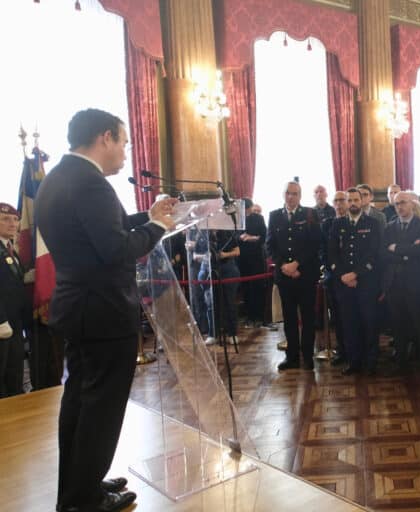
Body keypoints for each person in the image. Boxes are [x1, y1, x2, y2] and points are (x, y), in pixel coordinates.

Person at [35, 108, 177, 512]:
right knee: (101, 409)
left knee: (79, 403)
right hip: (104, 311)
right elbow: (115, 249)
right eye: (124, 142)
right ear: (104, 138)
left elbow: (100, 227)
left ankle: (79, 485)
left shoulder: (60, 178)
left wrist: (149, 217)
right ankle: (85, 499)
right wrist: (158, 229)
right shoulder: (91, 184)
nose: (126, 152)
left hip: (78, 309)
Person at [266, 182, 322, 371]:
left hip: (305, 275)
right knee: (289, 318)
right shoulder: (274, 216)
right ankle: (292, 357)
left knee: (307, 318)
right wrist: (284, 266)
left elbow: (315, 244)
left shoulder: (309, 214)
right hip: (284, 276)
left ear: (300, 195)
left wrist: (297, 264)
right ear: (283, 194)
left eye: (295, 194)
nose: (291, 197)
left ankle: (307, 356)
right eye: (288, 193)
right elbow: (270, 245)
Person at [328, 188, 381, 376]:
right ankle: (354, 361)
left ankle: (371, 361)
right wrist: (343, 275)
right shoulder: (338, 224)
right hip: (343, 283)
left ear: (362, 201)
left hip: (366, 282)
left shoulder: (372, 224)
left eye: (356, 199)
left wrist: (356, 274)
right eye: (349, 200)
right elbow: (332, 252)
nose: (352, 203)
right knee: (349, 324)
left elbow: (374, 253)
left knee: (369, 322)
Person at [381, 191, 420, 376]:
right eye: (397, 204)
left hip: (415, 283)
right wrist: (406, 251)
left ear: (412, 204)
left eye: (403, 202)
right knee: (398, 325)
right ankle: (401, 362)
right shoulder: (389, 227)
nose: (400, 207)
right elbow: (384, 254)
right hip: (394, 284)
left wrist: (397, 249)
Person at [0, 203, 28, 398]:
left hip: (15, 323)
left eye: (16, 219)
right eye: (5, 219)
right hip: (2, 325)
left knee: (14, 374)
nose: (12, 223)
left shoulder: (11, 250)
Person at [199, 229, 241, 346]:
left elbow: (237, 251)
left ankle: (232, 333)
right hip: (208, 270)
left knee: (229, 303)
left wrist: (224, 255)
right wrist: (205, 256)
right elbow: (194, 254)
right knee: (210, 304)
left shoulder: (227, 233)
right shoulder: (202, 234)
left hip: (227, 269)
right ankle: (212, 334)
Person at [321, 191, 349, 366]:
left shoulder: (354, 221)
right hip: (333, 276)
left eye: (342, 200)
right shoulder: (327, 224)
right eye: (336, 201)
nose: (339, 204)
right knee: (338, 316)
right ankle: (342, 350)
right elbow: (324, 250)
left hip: (353, 277)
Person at [239, 198, 267, 329]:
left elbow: (264, 236)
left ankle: (259, 317)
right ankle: (249, 317)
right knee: (246, 289)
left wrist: (252, 238)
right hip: (242, 258)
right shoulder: (237, 218)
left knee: (257, 288)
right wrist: (240, 237)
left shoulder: (258, 218)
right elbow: (233, 235)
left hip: (256, 257)